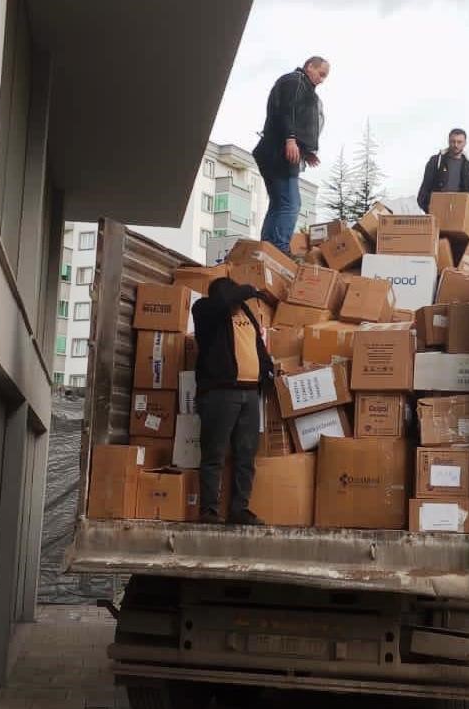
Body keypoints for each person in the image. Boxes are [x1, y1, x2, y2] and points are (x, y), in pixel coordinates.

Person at [191, 277, 275, 525]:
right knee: (214, 453)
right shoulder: (206, 310)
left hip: (250, 394)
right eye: (235, 298)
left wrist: (267, 371)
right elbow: (225, 302)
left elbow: (257, 345)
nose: (239, 304)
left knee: (246, 455)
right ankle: (209, 511)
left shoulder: (245, 312)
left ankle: (239, 509)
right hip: (220, 393)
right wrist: (247, 290)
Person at [253, 56, 329, 254]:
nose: (321, 80)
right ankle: (278, 248)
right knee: (290, 203)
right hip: (278, 152)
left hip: (275, 151)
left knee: (279, 203)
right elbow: (287, 111)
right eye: (321, 74)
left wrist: (305, 151)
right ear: (309, 66)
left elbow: (294, 115)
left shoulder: (301, 86)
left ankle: (268, 247)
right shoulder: (295, 81)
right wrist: (290, 139)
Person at [416, 128, 469, 212]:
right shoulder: (436, 161)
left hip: (460, 214)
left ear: (465, 143)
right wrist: (430, 210)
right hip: (436, 213)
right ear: (448, 141)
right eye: (453, 141)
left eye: (459, 142)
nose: (456, 145)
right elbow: (424, 191)